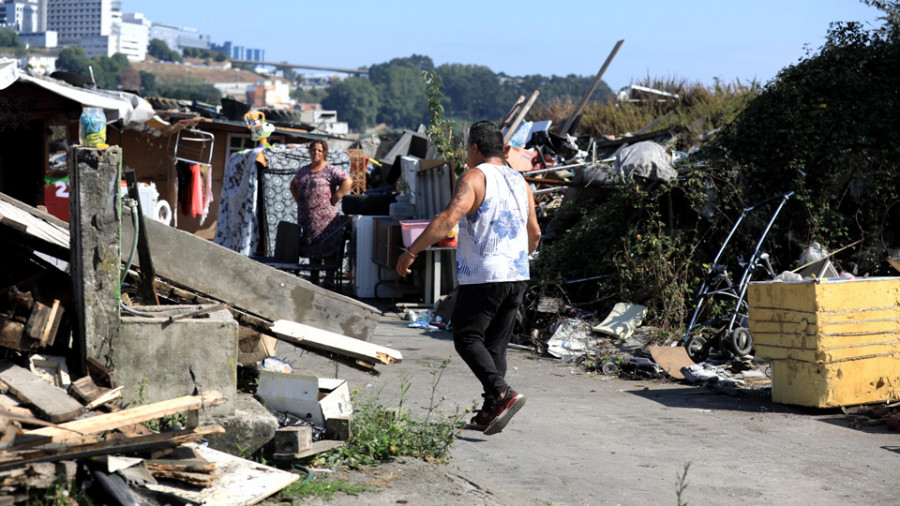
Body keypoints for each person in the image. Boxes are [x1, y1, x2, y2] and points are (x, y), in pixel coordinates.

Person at [395, 120, 541, 435]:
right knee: (495, 345)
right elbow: (535, 233)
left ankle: (502, 393)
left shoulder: (474, 177)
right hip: (517, 274)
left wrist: (411, 253)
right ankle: (491, 409)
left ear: (473, 148)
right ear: (503, 149)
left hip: (485, 275)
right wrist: (519, 258)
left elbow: (448, 219)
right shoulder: (520, 182)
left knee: (466, 337)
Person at [290, 140, 353, 287]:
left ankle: (329, 281)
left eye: (319, 150)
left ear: (324, 152)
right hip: (307, 218)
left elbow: (347, 181)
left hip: (326, 219)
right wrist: (298, 200)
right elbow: (293, 184)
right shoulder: (304, 170)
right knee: (312, 250)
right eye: (313, 150)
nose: (316, 153)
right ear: (309, 152)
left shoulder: (330, 170)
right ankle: (313, 281)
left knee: (328, 249)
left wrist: (337, 195)